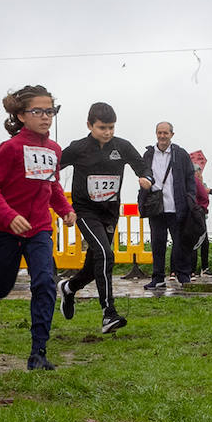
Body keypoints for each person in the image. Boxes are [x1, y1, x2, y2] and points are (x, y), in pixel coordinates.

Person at [0, 85, 74, 370]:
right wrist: (7, 214)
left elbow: (51, 185)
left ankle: (38, 353)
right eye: (37, 111)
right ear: (20, 115)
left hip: (39, 228)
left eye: (50, 111)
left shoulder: (54, 149)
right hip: (6, 228)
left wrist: (65, 210)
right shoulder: (10, 148)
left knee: (44, 284)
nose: (45, 117)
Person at [57, 102, 151, 334]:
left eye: (111, 127)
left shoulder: (122, 146)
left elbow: (142, 166)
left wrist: (146, 178)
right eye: (102, 128)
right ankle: (109, 313)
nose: (107, 132)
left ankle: (69, 287)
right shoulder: (78, 148)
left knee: (95, 264)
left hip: (109, 212)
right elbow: (54, 167)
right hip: (85, 211)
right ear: (90, 125)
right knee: (106, 254)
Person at [140, 122, 195, 290]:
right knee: (157, 243)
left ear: (172, 134)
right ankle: (158, 277)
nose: (162, 136)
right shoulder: (148, 155)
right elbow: (142, 175)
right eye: (159, 133)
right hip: (156, 206)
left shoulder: (180, 154)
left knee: (180, 242)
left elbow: (190, 178)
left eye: (165, 133)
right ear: (156, 134)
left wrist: (190, 199)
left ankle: (183, 274)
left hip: (177, 205)